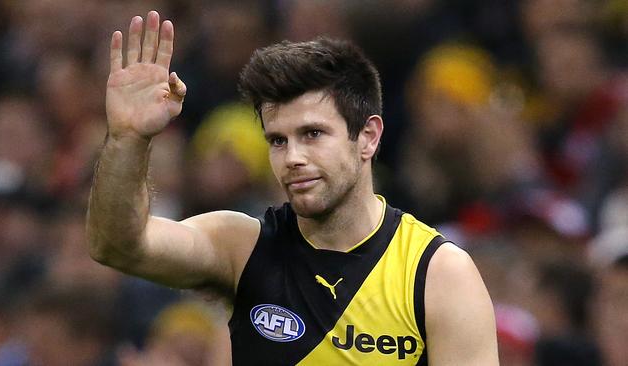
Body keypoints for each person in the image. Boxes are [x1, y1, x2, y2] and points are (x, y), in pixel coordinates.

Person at [87, 10, 498, 365]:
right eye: (278, 140)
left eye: (313, 134)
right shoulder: (242, 246)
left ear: (369, 137)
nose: (293, 157)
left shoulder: (438, 273)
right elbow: (118, 245)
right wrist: (128, 139)